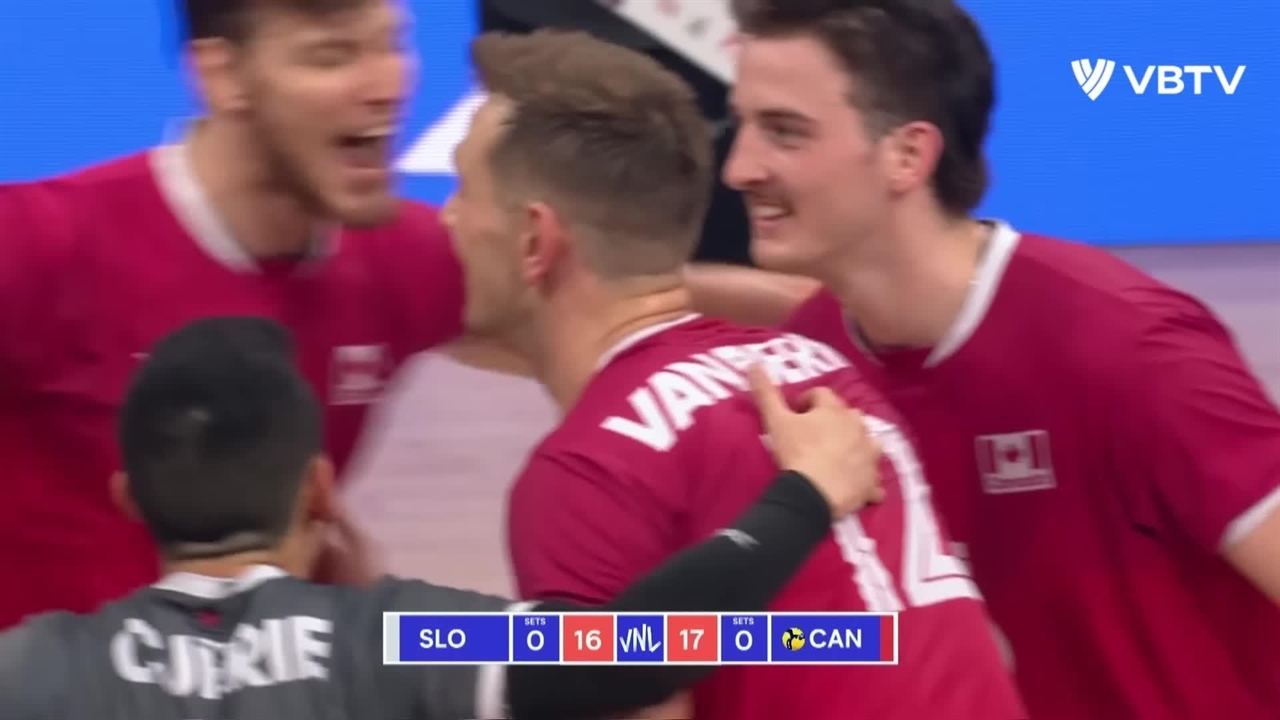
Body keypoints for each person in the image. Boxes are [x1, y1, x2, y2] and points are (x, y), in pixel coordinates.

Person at [0, 0, 811, 629]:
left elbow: (634, 284)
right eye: (332, 55)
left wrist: (848, 322)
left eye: (392, 42)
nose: (386, 82)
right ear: (224, 77)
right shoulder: (41, 243)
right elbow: (599, 669)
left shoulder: (395, 256)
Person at [719, 1, 1280, 718]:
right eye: (742, 126)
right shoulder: (807, 361)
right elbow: (844, 641)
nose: (738, 168)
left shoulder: (1129, 349)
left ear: (907, 156)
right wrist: (605, 649)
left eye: (785, 132)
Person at [444, 30, 1026, 720]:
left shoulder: (586, 476)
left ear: (534, 241)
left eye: (463, 192)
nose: (447, 218)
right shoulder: (819, 372)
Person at [0, 315, 886, 719]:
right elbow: (631, 652)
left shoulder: (33, 668)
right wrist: (804, 497)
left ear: (129, 500)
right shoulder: (393, 639)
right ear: (320, 490)